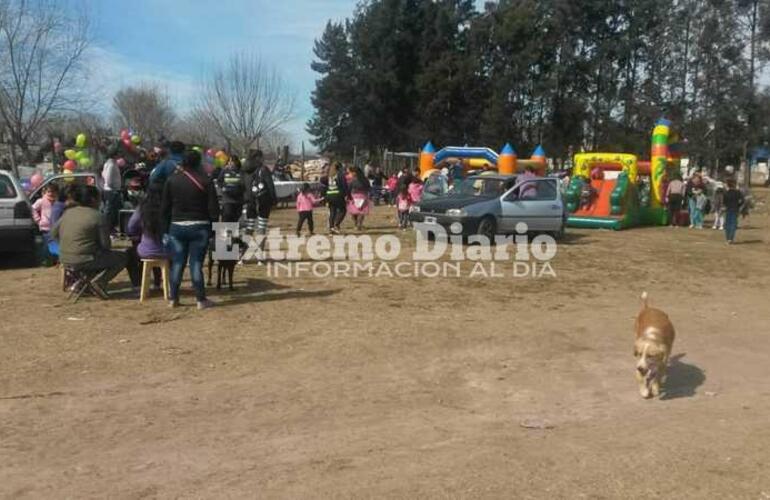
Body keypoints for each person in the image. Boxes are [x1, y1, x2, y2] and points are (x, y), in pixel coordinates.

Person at [161, 150, 220, 309]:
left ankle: (173, 298)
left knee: (178, 263)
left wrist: (165, 229)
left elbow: (165, 207)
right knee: (196, 264)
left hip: (177, 227)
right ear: (198, 163)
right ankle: (200, 300)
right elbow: (213, 208)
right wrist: (214, 229)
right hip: (200, 226)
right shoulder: (206, 181)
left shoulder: (171, 180)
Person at [51, 185, 126, 293]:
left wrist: (63, 244)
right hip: (86, 258)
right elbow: (106, 245)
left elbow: (53, 233)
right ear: (93, 199)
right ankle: (99, 281)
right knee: (122, 257)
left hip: (64, 258)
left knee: (98, 258)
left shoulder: (68, 213)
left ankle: (84, 282)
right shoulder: (98, 216)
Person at [126, 182, 170, 291]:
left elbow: (131, 227)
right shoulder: (170, 208)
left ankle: (137, 285)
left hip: (146, 250)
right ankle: (158, 283)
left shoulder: (142, 209)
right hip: (168, 250)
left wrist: (138, 234)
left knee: (129, 254)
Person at [250, 153, 277, 243]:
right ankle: (259, 244)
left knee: (250, 224)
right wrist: (274, 199)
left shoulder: (249, 170)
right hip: (263, 199)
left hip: (251, 199)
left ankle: (244, 246)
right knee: (262, 223)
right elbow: (270, 185)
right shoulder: (264, 170)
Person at [322, 162, 349, 233]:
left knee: (332, 212)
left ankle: (331, 227)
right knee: (343, 210)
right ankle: (336, 224)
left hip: (329, 195)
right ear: (339, 168)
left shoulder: (330, 175)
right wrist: (347, 195)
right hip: (337, 195)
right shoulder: (340, 175)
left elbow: (323, 183)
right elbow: (344, 186)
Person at [101, 147, 123, 232]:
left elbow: (103, 174)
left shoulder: (110, 163)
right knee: (110, 211)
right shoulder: (111, 164)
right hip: (111, 191)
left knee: (113, 211)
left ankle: (111, 227)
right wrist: (114, 187)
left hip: (111, 190)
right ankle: (108, 228)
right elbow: (108, 179)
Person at [218, 156, 245, 223]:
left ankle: (232, 231)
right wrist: (223, 187)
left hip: (238, 198)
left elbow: (244, 183)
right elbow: (219, 181)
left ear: (236, 162)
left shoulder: (241, 172)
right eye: (229, 161)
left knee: (237, 215)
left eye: (232, 161)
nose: (230, 163)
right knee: (227, 214)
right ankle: (224, 231)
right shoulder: (224, 171)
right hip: (227, 198)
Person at [347, 166, 371, 231]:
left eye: (352, 172)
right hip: (363, 196)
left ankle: (356, 224)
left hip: (354, 196)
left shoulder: (353, 180)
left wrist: (348, 196)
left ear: (355, 172)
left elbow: (349, 188)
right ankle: (359, 225)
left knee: (353, 211)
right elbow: (369, 187)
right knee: (361, 212)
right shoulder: (365, 179)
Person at [723, 179, 744, 244]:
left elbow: (724, 202)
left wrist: (726, 206)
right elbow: (742, 200)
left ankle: (728, 238)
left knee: (727, 224)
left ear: (728, 185)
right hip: (735, 209)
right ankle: (731, 239)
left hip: (728, 209)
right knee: (733, 224)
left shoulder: (726, 193)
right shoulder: (738, 192)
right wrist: (738, 205)